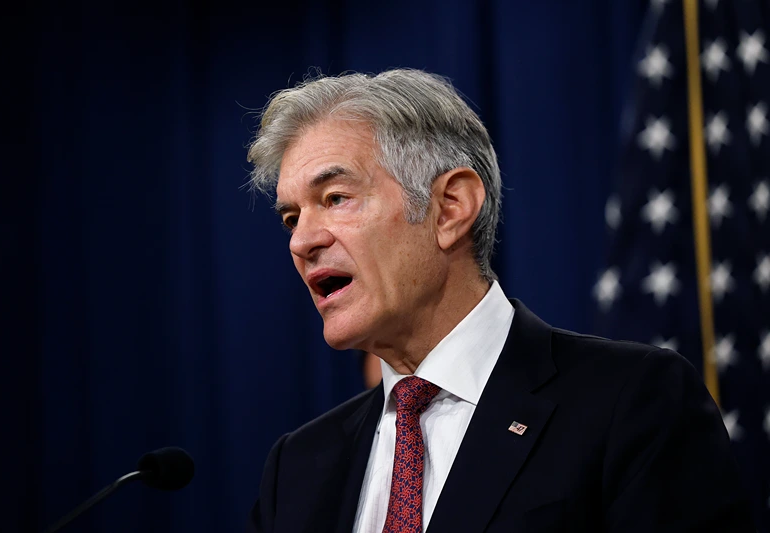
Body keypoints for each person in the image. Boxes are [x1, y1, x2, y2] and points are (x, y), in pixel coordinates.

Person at [245, 69, 753, 533]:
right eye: (291, 218)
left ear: (450, 207)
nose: (301, 242)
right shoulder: (297, 468)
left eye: (335, 198)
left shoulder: (631, 403)